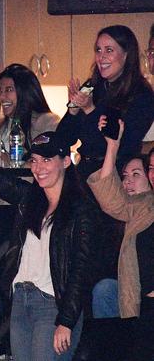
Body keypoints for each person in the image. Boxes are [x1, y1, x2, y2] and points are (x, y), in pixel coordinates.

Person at [0, 130, 96, 360]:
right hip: (21, 300)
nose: (38, 167)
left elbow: (81, 270)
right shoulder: (30, 199)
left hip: (54, 305)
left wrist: (66, 321)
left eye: (46, 160)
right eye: (34, 160)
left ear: (65, 162)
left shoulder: (81, 210)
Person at [87, 118, 154, 360]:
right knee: (104, 290)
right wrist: (112, 148)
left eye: (137, 174)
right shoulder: (140, 207)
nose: (127, 181)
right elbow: (108, 197)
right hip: (140, 302)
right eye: (125, 175)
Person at [57, 25, 154, 179]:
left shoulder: (142, 94)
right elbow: (63, 139)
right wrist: (73, 110)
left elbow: (119, 147)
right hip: (84, 172)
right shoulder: (92, 86)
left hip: (115, 177)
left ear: (126, 55)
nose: (101, 57)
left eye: (109, 50)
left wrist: (90, 110)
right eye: (98, 50)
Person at [0, 64, 60, 155]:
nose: (1, 96)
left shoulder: (48, 122)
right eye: (0, 90)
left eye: (9, 90)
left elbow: (48, 161)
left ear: (25, 91)